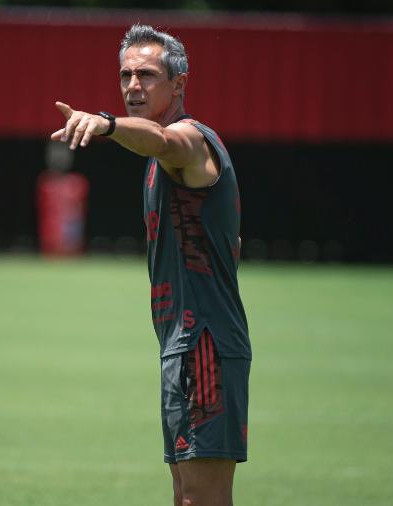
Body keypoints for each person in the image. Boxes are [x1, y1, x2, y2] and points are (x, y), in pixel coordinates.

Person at [51, 24, 251, 506]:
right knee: (186, 495)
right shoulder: (159, 159)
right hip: (182, 346)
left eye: (147, 74)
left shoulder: (190, 143)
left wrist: (108, 124)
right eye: (126, 75)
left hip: (204, 344)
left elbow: (163, 140)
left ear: (179, 84)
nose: (133, 86)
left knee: (202, 499)